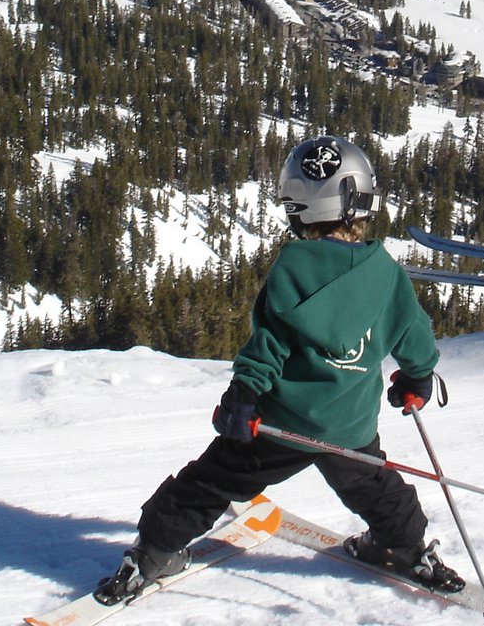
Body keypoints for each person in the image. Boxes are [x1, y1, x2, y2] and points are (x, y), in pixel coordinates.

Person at [95, 136, 464, 605]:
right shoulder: (386, 271)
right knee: (373, 483)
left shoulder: (295, 264)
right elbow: (414, 334)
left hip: (280, 423)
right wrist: (417, 376)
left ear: (300, 203)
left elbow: (270, 340)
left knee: (212, 481)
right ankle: (405, 547)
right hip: (348, 425)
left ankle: (154, 553)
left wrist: (244, 393)